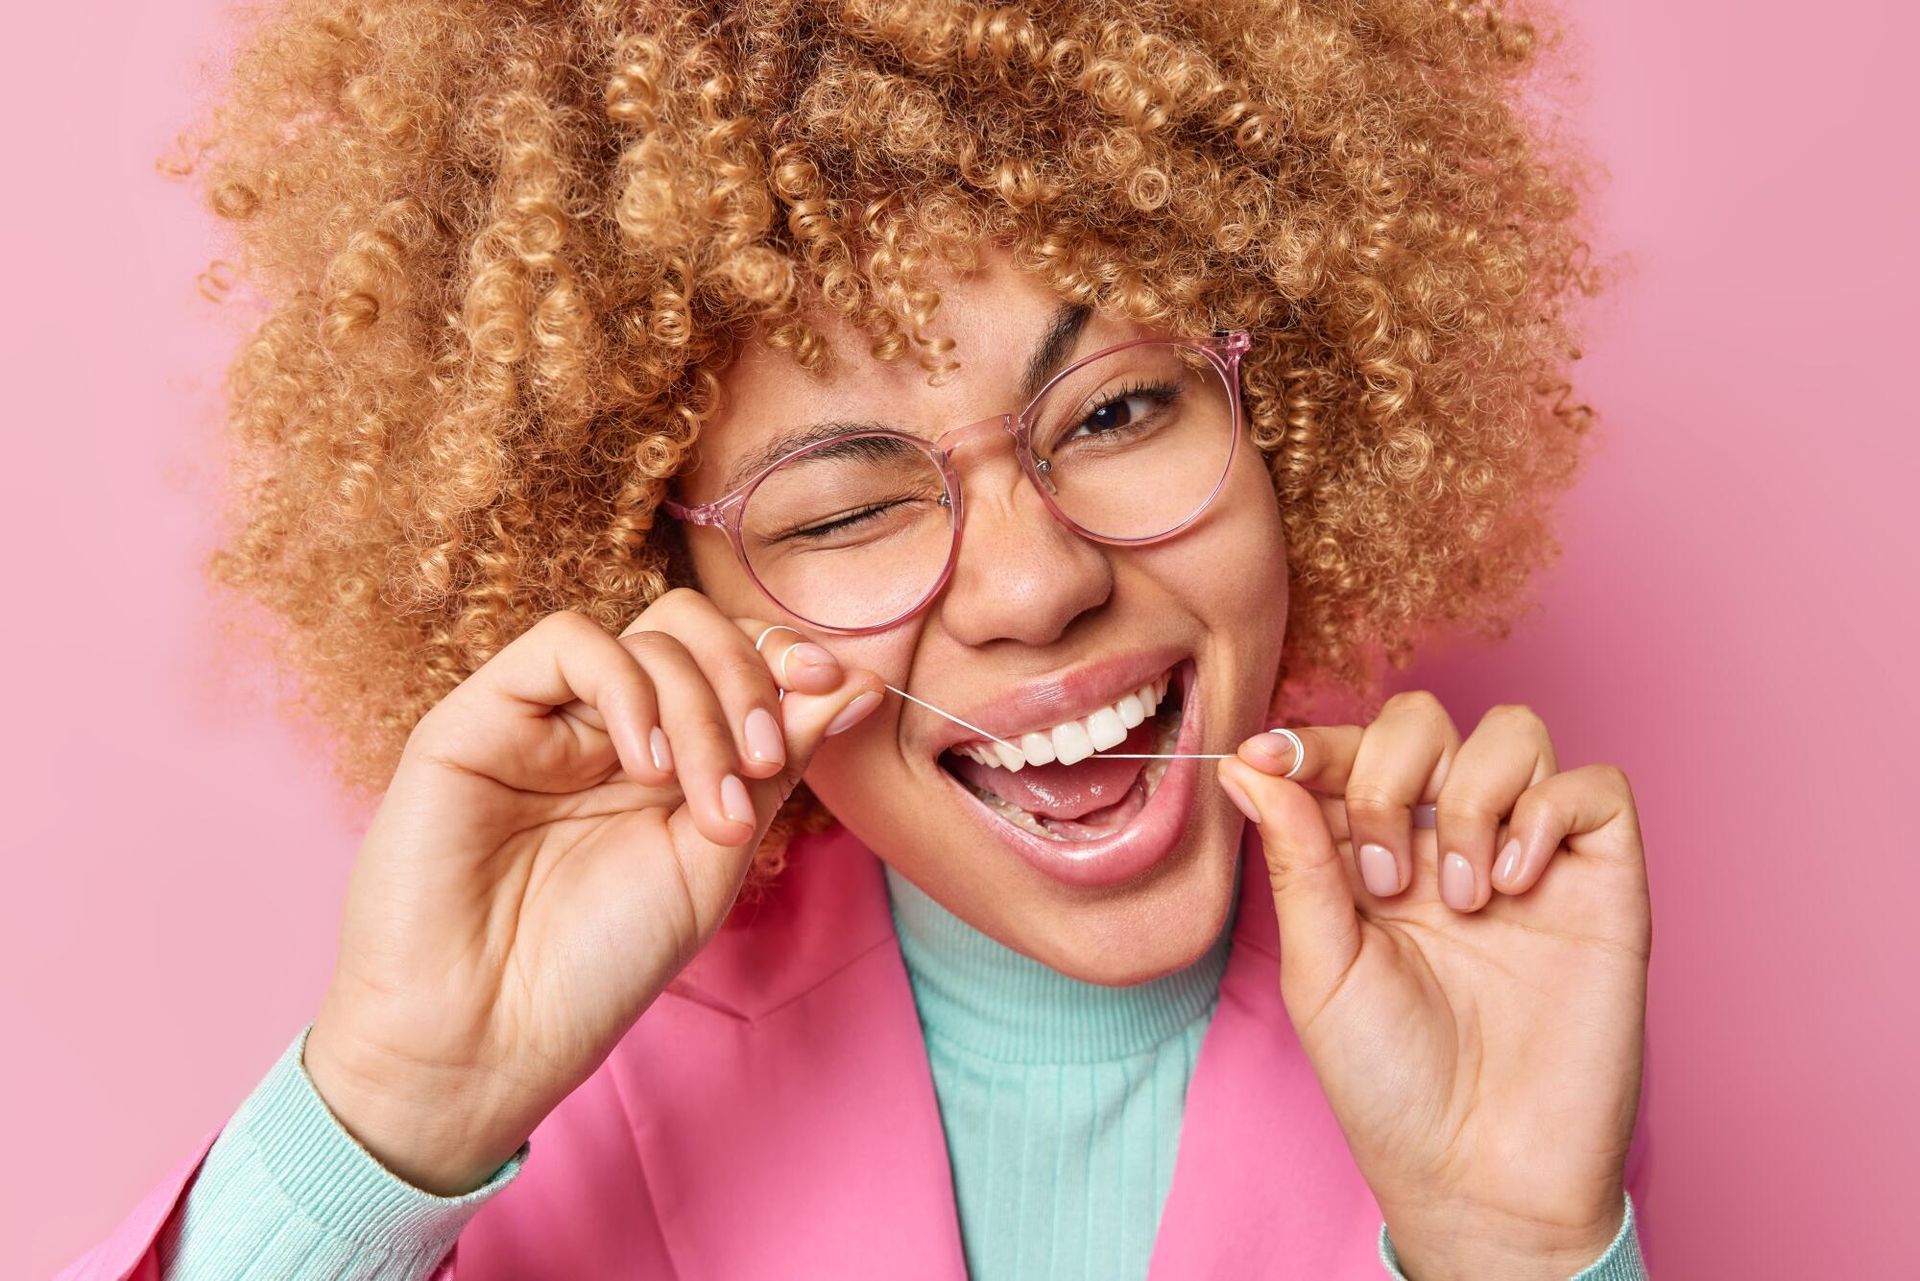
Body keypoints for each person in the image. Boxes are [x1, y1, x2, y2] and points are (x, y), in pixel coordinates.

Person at [62, 0, 1651, 1277]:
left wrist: (1520, 1256)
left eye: (1117, 409)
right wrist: (383, 1118)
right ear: (657, 588)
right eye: (843, 509)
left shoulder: (1473, 1024)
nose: (1033, 585)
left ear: (1288, 395)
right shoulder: (553, 1077)